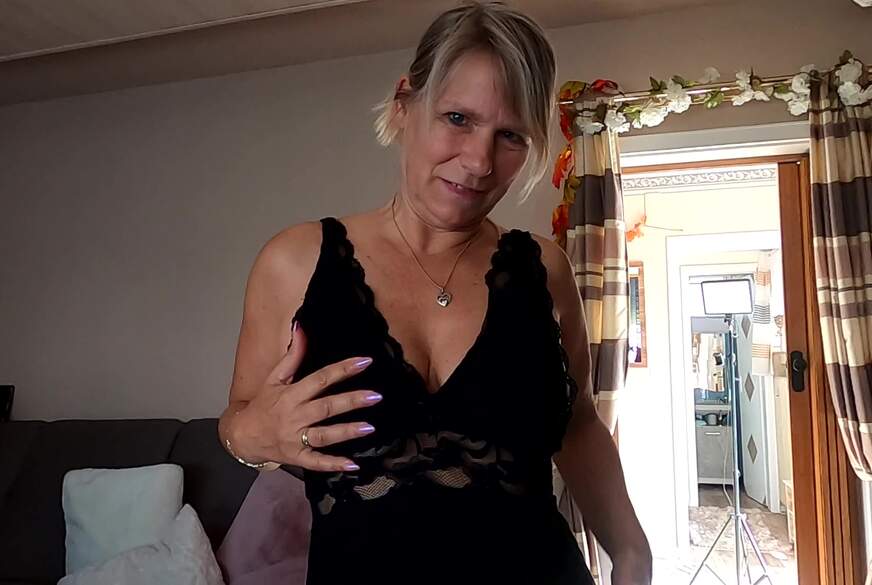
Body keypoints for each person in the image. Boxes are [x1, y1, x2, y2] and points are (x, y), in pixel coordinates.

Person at [218, 3, 651, 584]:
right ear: (404, 104)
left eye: (510, 136)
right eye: (457, 118)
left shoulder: (545, 269)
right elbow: (240, 418)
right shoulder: (294, 261)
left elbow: (577, 426)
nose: (478, 161)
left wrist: (632, 552)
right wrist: (251, 437)